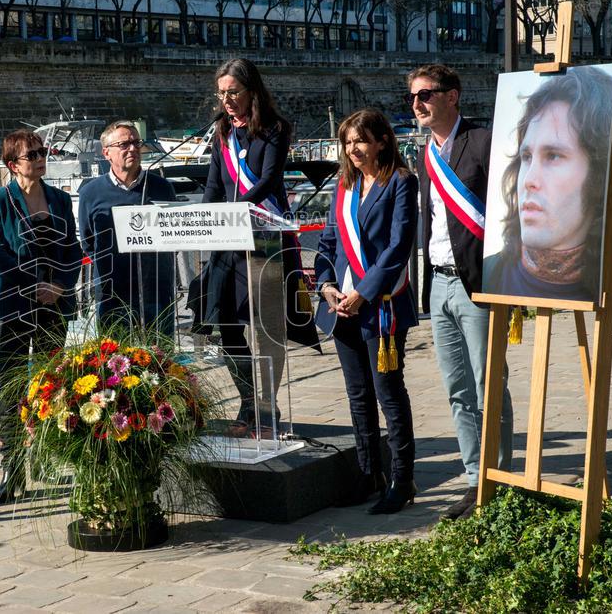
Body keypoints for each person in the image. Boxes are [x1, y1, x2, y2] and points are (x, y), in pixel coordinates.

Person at [409, 63, 514, 520]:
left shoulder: (485, 142)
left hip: (479, 282)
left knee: (489, 383)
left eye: (426, 95)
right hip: (439, 283)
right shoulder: (425, 154)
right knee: (456, 388)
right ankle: (475, 480)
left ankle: (501, 478)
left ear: (453, 96)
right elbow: (430, 220)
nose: (418, 104)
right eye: (413, 97)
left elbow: (510, 209)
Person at [200, 57, 319, 430]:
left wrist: (236, 211)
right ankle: (248, 402)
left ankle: (267, 406)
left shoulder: (274, 129)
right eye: (221, 94)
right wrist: (207, 220)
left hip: (265, 240)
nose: (227, 100)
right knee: (226, 323)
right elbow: (214, 185)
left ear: (252, 90)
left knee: (265, 324)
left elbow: (268, 181)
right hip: (228, 241)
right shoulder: (222, 132)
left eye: (233, 92)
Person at [315, 108, 419, 514]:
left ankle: (401, 478)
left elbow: (398, 247)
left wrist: (363, 292)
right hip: (342, 307)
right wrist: (325, 287)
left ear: (380, 141)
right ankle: (367, 473)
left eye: (360, 140)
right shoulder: (344, 185)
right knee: (358, 395)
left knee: (388, 393)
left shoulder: (401, 183)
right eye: (347, 142)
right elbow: (328, 243)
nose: (353, 149)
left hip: (381, 305)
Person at [0, 129, 82, 504]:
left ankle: (44, 454)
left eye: (43, 152)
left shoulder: (59, 198)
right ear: (13, 164)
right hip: (13, 306)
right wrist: (33, 285)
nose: (41, 158)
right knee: (11, 390)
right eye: (32, 154)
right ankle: (12, 469)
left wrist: (57, 286)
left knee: (49, 385)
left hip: (54, 305)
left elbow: (72, 248)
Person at [484, 66, 612, 301]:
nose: (529, 181)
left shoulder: (598, 284)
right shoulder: (491, 274)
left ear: (598, 174)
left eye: (553, 156)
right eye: (526, 157)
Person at [78, 120, 177, 334]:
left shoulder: (162, 188)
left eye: (135, 143)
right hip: (112, 293)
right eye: (124, 144)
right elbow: (88, 242)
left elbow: (174, 236)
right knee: (114, 360)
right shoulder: (90, 193)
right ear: (107, 153)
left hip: (157, 291)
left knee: (163, 362)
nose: (132, 148)